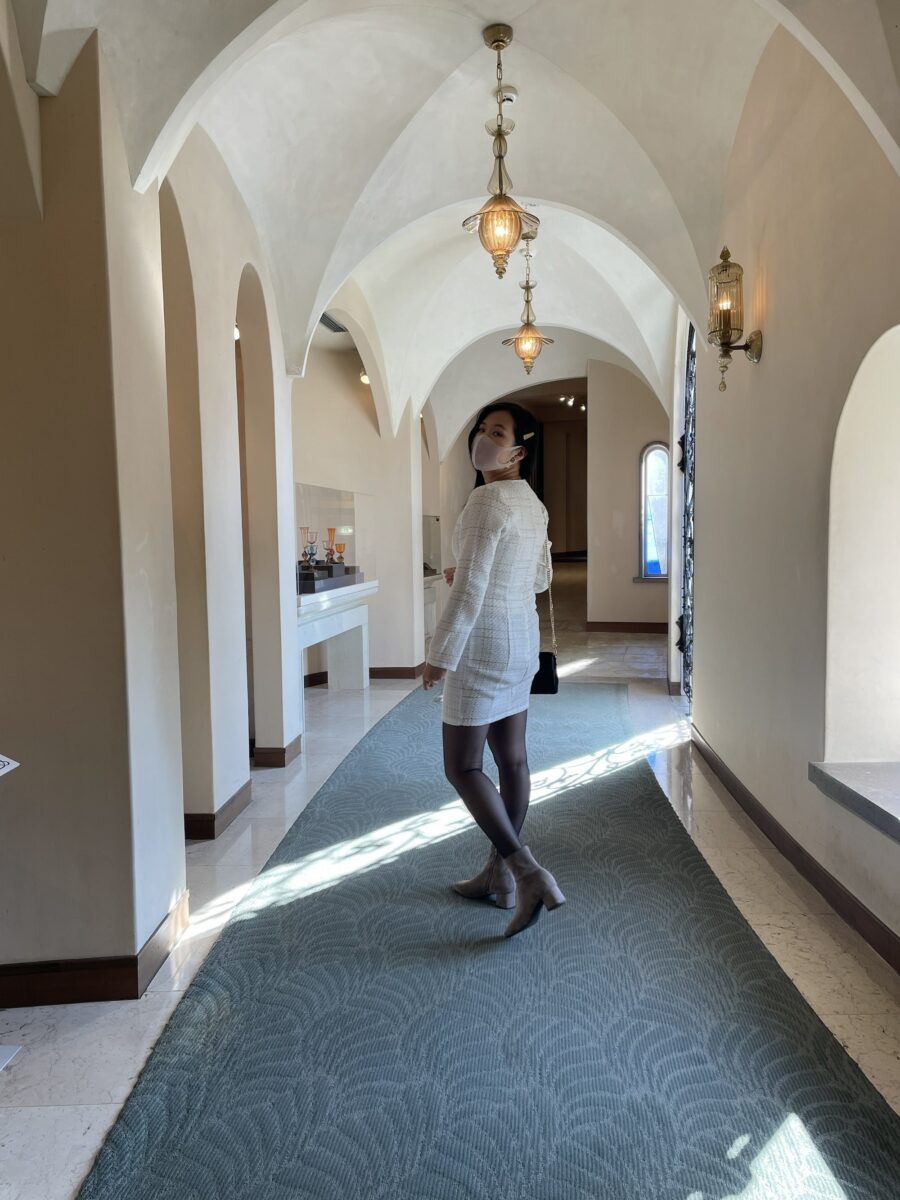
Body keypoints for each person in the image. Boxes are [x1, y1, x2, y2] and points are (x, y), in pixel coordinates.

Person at [422, 403, 565, 937]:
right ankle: (497, 876)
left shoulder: (485, 502)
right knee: (512, 760)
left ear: (519, 450)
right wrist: (473, 570)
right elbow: (540, 579)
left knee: (461, 766)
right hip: (520, 642)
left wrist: (439, 655)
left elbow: (469, 595)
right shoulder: (531, 502)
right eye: (482, 429)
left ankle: (527, 873)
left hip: (481, 647)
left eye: (497, 433)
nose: (483, 439)